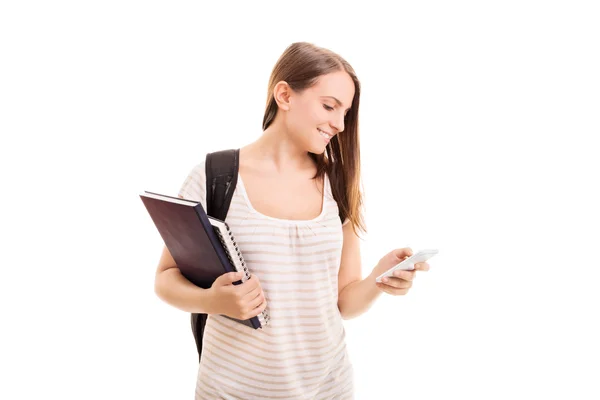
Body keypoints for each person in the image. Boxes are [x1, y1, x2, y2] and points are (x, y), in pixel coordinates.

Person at [154, 41, 431, 399]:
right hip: (230, 390)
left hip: (326, 389)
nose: (339, 123)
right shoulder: (214, 177)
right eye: (330, 106)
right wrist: (213, 301)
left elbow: (345, 303)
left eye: (345, 112)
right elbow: (164, 280)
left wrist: (379, 278)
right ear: (284, 95)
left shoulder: (338, 185)